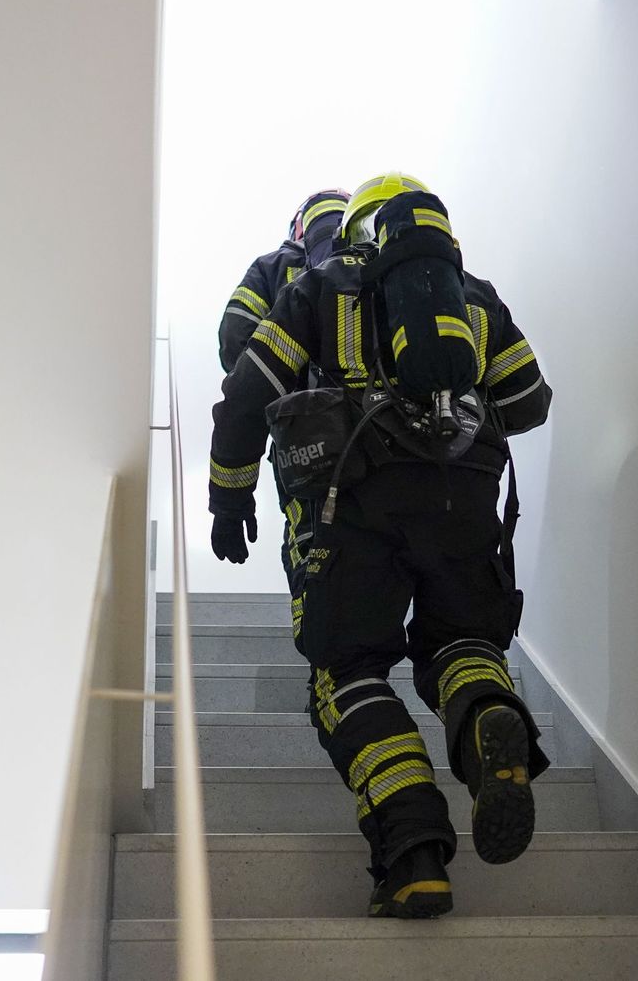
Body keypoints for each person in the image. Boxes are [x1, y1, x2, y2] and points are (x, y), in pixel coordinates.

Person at [207, 173, 552, 919]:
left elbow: (245, 389)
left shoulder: (319, 285)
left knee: (350, 674)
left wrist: (228, 495)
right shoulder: (473, 295)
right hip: (464, 498)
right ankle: (488, 718)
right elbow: (528, 402)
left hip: (353, 504)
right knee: (464, 645)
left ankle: (415, 854)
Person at [214, 189, 350, 639]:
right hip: (394, 444)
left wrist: (285, 385)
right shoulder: (380, 270)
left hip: (306, 442)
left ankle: (334, 674)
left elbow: (236, 342)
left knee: (315, 556)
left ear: (297, 229)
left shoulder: (272, 268)